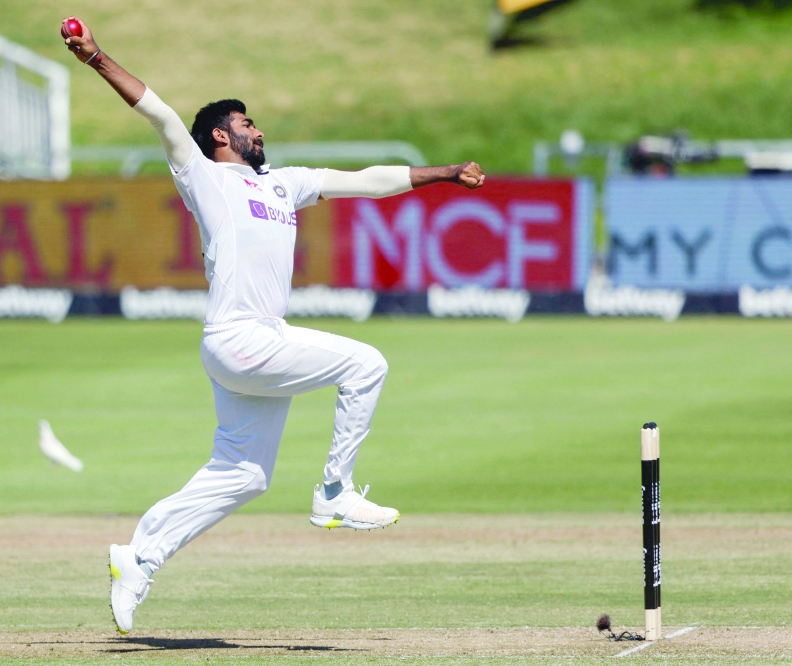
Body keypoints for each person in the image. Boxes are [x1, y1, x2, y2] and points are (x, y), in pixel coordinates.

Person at [61, 16, 485, 635]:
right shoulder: (203, 176)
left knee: (243, 475)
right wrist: (95, 57)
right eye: (246, 124)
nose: (258, 130)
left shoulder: (283, 186)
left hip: (250, 347)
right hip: (241, 335)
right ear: (220, 137)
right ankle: (335, 492)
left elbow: (365, 182)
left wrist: (443, 174)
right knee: (366, 363)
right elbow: (160, 115)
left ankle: (138, 559)